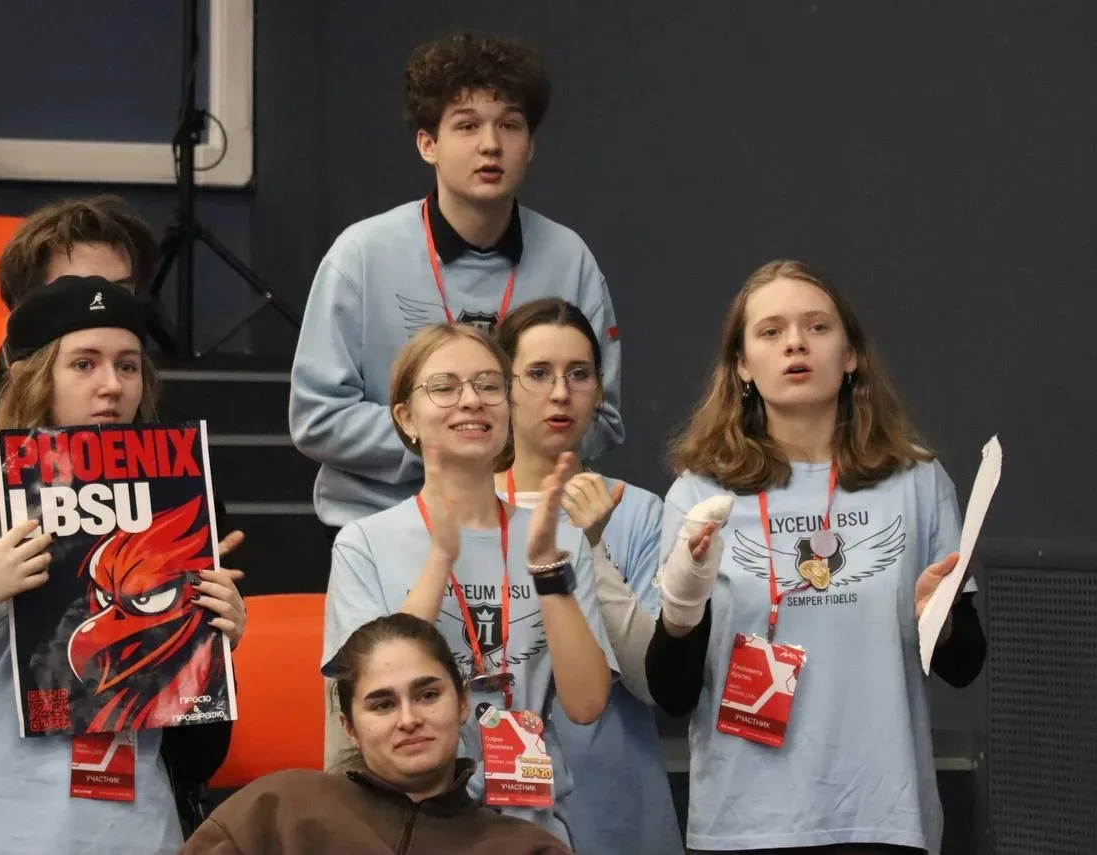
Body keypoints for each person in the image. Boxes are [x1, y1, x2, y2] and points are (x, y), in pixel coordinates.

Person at [0, 277, 246, 854]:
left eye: (128, 366)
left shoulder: (176, 509)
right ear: (34, 378)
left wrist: (212, 650)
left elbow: (199, 756)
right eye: (84, 364)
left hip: (133, 829)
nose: (112, 385)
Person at [645, 259, 986, 855]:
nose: (795, 343)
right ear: (743, 366)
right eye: (771, 331)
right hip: (745, 823)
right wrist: (681, 608)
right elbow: (673, 693)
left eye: (817, 327)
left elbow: (964, 665)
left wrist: (940, 618)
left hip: (883, 817)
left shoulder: (916, 481)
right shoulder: (700, 494)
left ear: (850, 356)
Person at [289, 30, 623, 534]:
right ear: (428, 144)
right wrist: (454, 438)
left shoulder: (569, 259)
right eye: (467, 126)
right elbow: (317, 418)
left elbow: (604, 415)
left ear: (531, 145)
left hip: (527, 531)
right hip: (384, 528)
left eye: (510, 125)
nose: (491, 144)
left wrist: (495, 445)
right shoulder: (360, 255)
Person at [322, 323, 617, 846]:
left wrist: (547, 570)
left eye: (488, 385)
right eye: (444, 387)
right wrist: (441, 557)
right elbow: (378, 684)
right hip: (409, 825)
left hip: (528, 826)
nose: (471, 401)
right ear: (406, 418)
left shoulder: (554, 537)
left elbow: (586, 704)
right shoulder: (364, 542)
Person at [492, 298, 680, 855]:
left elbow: (652, 681)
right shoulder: (461, 514)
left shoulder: (638, 512)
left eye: (579, 374)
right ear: (502, 387)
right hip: (491, 804)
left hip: (614, 799)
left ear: (599, 391)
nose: (560, 393)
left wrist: (592, 546)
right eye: (538, 373)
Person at [178, 613, 573, 854]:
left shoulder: (526, 848)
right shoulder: (276, 809)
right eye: (382, 704)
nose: (408, 719)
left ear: (462, 703)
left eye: (428, 695)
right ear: (349, 727)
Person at [0, 194, 159, 507]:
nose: (104, 304)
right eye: (78, 291)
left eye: (120, 291)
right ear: (27, 307)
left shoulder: (153, 416)